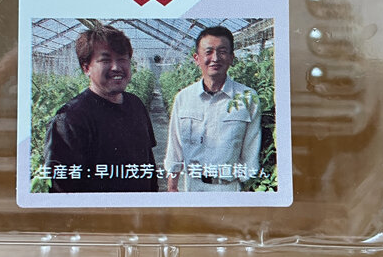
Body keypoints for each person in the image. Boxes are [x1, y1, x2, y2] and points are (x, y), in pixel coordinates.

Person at [43, 25, 158, 193]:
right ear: (86, 68)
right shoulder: (70, 119)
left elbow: (148, 163)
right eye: (105, 60)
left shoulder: (136, 104)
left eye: (122, 59)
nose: (116, 67)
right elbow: (62, 191)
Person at [164, 26, 262, 192]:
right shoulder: (184, 98)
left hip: (230, 189)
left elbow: (251, 151)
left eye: (222, 52)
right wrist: (172, 187)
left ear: (231, 58)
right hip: (193, 187)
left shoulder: (247, 98)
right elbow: (175, 147)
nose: (215, 58)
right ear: (197, 58)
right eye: (208, 52)